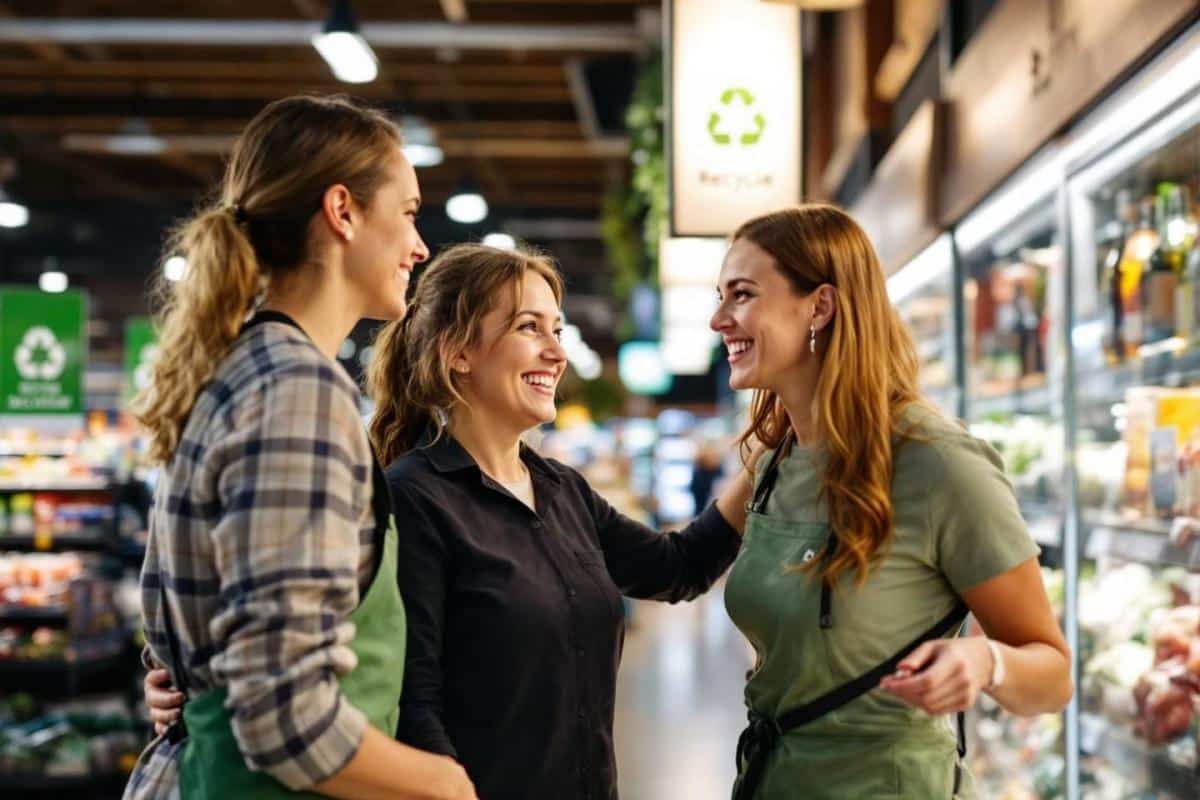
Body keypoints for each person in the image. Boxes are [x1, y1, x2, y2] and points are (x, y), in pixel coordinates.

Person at [126, 94, 476, 800]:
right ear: (342, 210)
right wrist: (442, 783)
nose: (419, 246)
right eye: (408, 213)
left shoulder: (236, 368)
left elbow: (200, 617)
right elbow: (284, 717)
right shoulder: (298, 392)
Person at [365, 243, 755, 800]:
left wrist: (764, 458)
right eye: (530, 328)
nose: (557, 353)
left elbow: (679, 568)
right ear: (458, 353)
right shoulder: (414, 498)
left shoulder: (562, 489)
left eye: (558, 330)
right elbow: (413, 706)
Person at [710, 205, 1072, 799]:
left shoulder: (939, 464)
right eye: (720, 297)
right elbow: (679, 562)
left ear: (820, 307)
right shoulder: (775, 462)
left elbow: (1053, 675)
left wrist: (986, 662)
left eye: (741, 295)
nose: (718, 319)